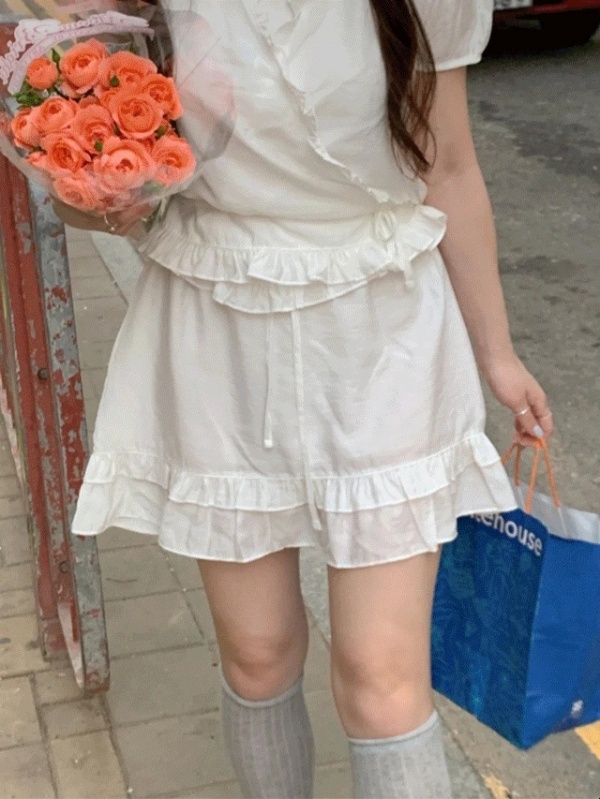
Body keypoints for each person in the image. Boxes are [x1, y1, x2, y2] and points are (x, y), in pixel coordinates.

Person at [59, 0, 553, 796]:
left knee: (381, 675)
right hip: (217, 318)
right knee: (257, 654)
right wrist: (100, 190)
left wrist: (497, 353)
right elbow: (90, 183)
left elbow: (450, 166)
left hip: (379, 327)